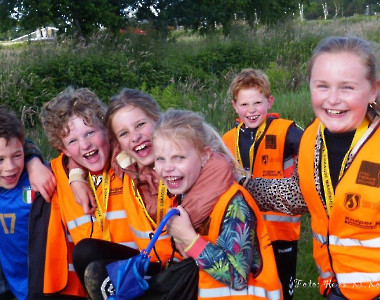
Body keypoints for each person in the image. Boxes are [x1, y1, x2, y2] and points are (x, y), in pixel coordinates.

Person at [244, 36, 380, 299]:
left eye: (347, 87)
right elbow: (299, 194)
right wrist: (242, 185)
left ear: (373, 90)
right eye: (322, 86)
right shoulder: (311, 138)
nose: (333, 99)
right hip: (333, 287)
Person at [71, 88, 236, 299]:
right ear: (118, 142)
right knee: (86, 252)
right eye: (124, 133)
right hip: (159, 262)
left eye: (141, 125)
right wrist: (75, 175)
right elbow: (84, 147)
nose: (135, 137)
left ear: (158, 121)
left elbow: (219, 167)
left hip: (195, 266)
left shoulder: (188, 164)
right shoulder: (126, 164)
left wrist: (184, 229)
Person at [154, 109, 282, 299]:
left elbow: (238, 276)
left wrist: (190, 239)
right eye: (160, 159)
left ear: (205, 156)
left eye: (179, 157)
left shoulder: (232, 203)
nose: (168, 167)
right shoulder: (186, 195)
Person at [28, 87, 136, 299]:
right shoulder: (56, 174)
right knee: (86, 252)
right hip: (95, 286)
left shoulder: (130, 158)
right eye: (72, 141)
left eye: (90, 132)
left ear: (107, 129)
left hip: (145, 271)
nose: (85, 145)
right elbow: (9, 150)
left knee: (87, 250)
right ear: (64, 150)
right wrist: (31, 160)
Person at [222, 68, 303, 300]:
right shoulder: (227, 139)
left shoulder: (287, 131)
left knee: (282, 290)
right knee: (250, 291)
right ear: (234, 106)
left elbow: (314, 149)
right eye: (245, 104)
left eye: (257, 102)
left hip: (281, 233)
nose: (252, 110)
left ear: (270, 101)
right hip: (243, 233)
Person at [0, 105, 55, 300]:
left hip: (46, 289)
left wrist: (34, 162)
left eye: (17, 156)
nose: (10, 167)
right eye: (0, 160)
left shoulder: (39, 181)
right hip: (10, 288)